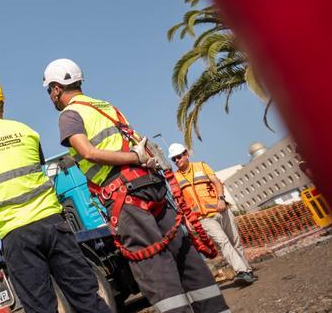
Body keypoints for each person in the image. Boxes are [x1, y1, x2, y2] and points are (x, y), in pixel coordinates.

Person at [42, 59, 230, 313]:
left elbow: (88, 153)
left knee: (153, 262)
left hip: (125, 194)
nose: (51, 97)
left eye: (49, 91)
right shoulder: (105, 106)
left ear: (56, 88)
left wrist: (134, 158)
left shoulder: (69, 115)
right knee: (182, 253)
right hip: (150, 184)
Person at [0, 76, 110, 313]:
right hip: (53, 224)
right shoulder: (27, 132)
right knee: (86, 297)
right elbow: (35, 167)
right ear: (2, 105)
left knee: (41, 308)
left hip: (17, 235)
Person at [169, 143, 257, 285]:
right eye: (173, 159)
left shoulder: (202, 166)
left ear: (186, 154)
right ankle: (241, 271)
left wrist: (221, 199)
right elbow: (180, 202)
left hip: (222, 209)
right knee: (223, 243)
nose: (176, 161)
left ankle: (247, 271)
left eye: (178, 157)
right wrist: (187, 219)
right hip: (203, 218)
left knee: (235, 242)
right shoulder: (175, 178)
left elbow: (216, 182)